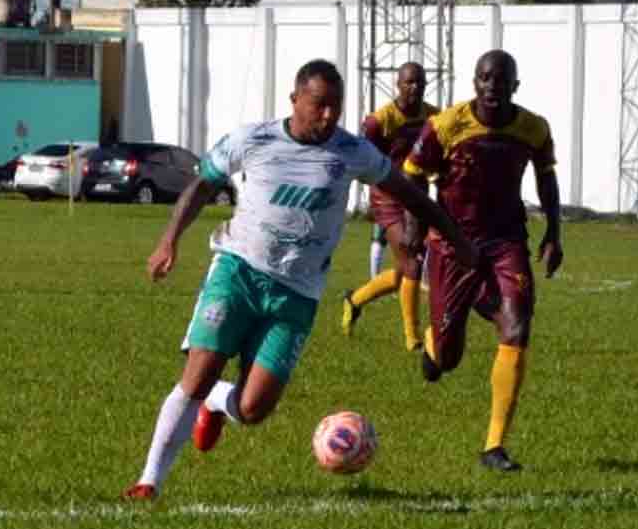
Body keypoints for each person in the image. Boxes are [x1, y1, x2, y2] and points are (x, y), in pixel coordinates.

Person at [122, 59, 479, 501]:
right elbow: (202, 185)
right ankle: (149, 480)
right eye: (319, 105)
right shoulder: (252, 139)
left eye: (336, 107)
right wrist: (169, 240)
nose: (328, 116)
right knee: (197, 375)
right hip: (238, 271)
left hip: (297, 293)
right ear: (295, 100)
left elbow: (407, 193)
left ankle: (217, 402)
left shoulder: (352, 152)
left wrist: (456, 239)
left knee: (253, 409)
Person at [403, 50, 564, 472]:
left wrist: (553, 233)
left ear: (515, 85)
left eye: (502, 79)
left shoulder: (533, 128)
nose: (493, 87)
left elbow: (546, 176)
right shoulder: (445, 126)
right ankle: (437, 343)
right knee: (448, 359)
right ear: (474, 83)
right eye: (485, 79)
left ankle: (494, 446)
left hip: (506, 240)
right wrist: (414, 230)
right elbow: (412, 177)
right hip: (453, 245)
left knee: (517, 325)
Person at [342, 62, 439, 352]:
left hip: (418, 196)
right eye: (409, 82)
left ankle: (355, 300)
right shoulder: (378, 121)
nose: (415, 88)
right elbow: (361, 158)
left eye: (420, 83)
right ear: (398, 84)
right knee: (412, 261)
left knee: (406, 268)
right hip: (388, 199)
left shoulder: (434, 116)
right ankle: (413, 338)